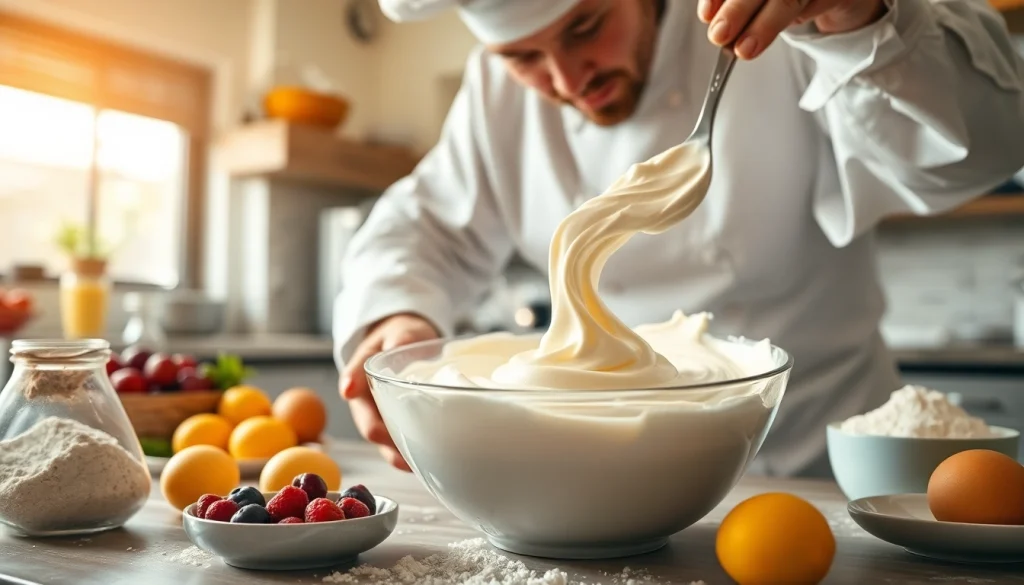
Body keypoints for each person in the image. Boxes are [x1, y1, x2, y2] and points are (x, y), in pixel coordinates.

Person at [334, 0, 1024, 476]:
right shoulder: (494, 94)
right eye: (522, 57)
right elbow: (421, 223)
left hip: (820, 468)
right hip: (624, 488)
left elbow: (984, 147)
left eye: (586, 25)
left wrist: (861, 20)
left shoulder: (769, 22)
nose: (568, 80)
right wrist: (394, 314)